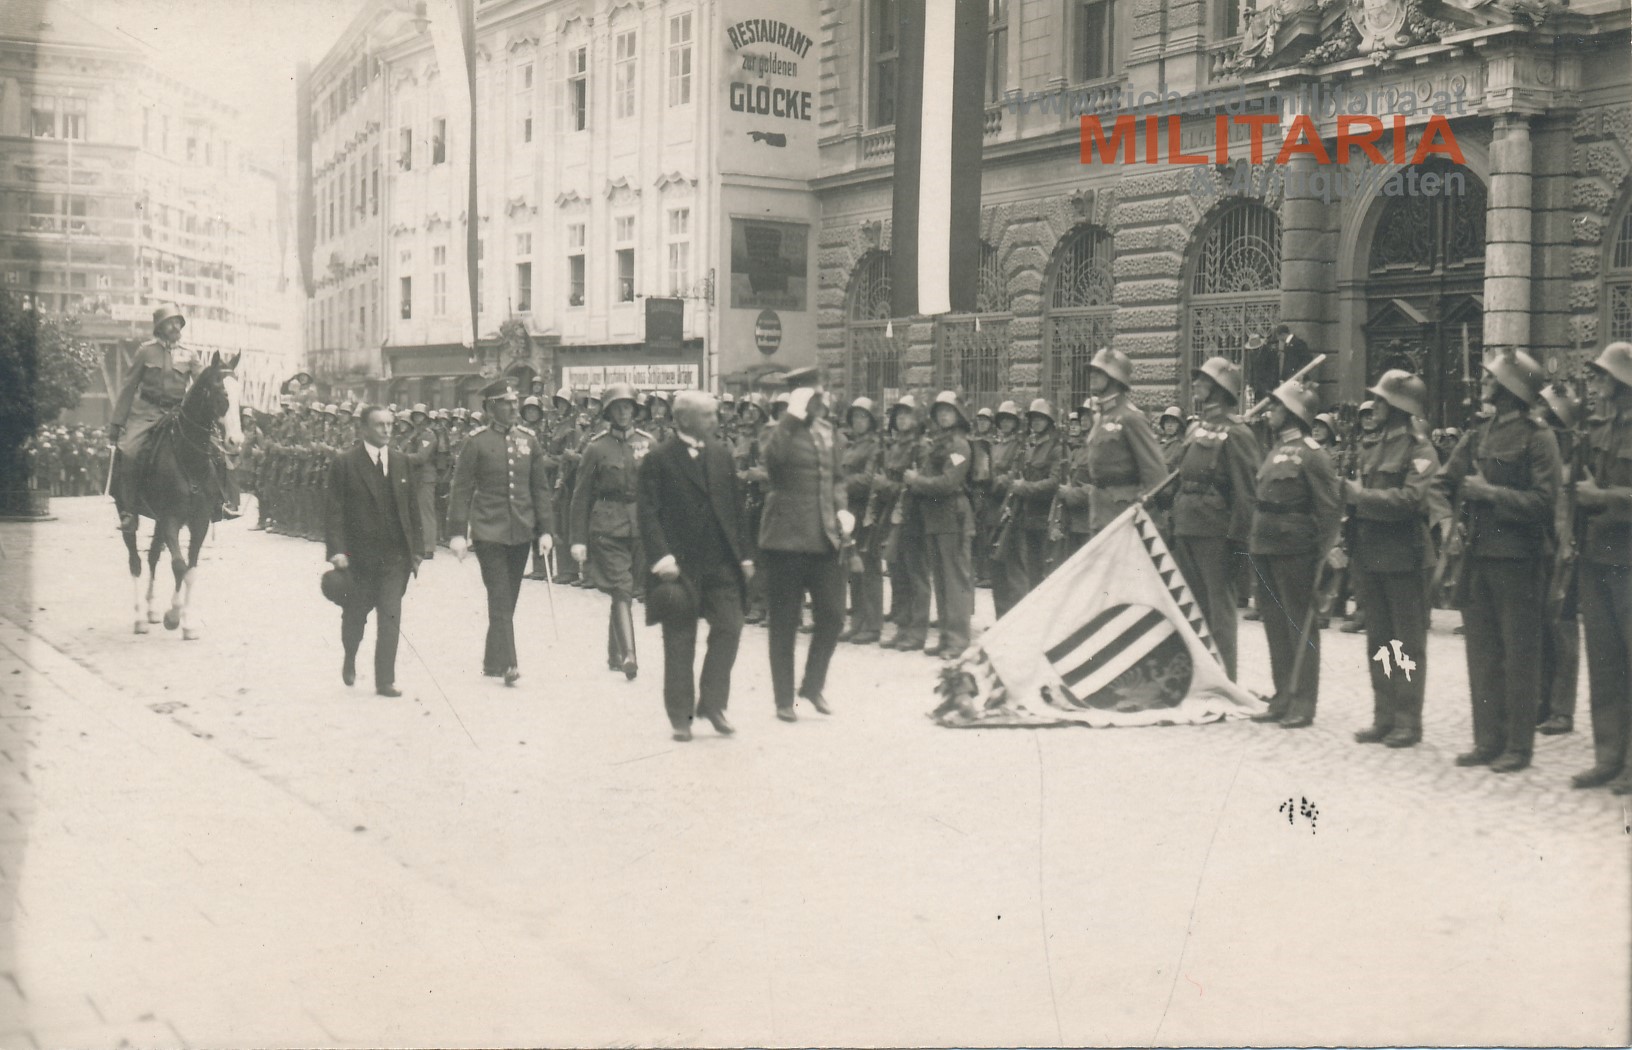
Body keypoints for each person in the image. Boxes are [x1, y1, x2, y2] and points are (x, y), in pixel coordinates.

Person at [1435, 349, 1562, 773]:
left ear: (1510, 388)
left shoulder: (1537, 436)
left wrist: (1490, 494)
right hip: (1478, 557)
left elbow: (1544, 503)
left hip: (1520, 559)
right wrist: (1448, 520)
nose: (1484, 381)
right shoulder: (1479, 432)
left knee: (1520, 655)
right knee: (1483, 654)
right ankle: (1487, 740)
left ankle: (1518, 747)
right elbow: (1443, 481)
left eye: (1491, 377)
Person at [637, 391, 753, 741]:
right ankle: (681, 717)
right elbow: (648, 513)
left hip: (720, 563)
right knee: (679, 639)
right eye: (709, 416)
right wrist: (662, 558)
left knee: (730, 628)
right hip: (679, 566)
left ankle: (713, 704)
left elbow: (736, 509)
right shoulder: (659, 458)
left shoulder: (721, 455)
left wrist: (745, 556)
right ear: (685, 419)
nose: (716, 422)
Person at [1344, 371, 1441, 747]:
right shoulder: (1373, 446)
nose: (1376, 406)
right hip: (1372, 555)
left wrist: (1360, 498)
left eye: (1382, 401)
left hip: (1405, 557)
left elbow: (1411, 501)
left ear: (1400, 407)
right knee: (1380, 642)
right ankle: (1383, 716)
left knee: (1406, 643)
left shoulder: (1421, 450)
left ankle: (1407, 721)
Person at [446, 378, 556, 685]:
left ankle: (492, 660)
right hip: (488, 530)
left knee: (509, 597)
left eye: (514, 401)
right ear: (490, 407)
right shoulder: (476, 441)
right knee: (499, 594)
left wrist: (546, 530)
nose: (512, 407)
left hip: (521, 529)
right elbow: (461, 489)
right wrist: (457, 532)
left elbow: (539, 489)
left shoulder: (529, 440)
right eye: (505, 403)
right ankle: (509, 663)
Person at [1245, 379, 1341, 728]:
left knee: (1299, 625)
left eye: (1276, 406)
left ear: (1293, 412)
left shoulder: (1313, 454)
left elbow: (1329, 509)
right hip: (1266, 545)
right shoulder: (1272, 451)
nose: (1269, 411)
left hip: (1295, 549)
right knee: (1273, 624)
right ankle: (1283, 695)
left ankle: (1303, 701)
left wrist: (1321, 555)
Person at [757, 374, 852, 721]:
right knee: (784, 621)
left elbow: (837, 478)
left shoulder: (829, 433)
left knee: (833, 615)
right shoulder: (777, 429)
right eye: (812, 396)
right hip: (785, 540)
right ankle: (784, 699)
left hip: (824, 536)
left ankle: (812, 687)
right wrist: (791, 417)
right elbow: (772, 461)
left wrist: (842, 508)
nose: (819, 401)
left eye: (820, 395)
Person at [107, 302, 237, 531]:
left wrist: (219, 375)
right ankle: (128, 511)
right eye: (170, 323)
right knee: (129, 452)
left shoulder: (189, 355)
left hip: (178, 413)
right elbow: (129, 386)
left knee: (215, 451)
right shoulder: (145, 351)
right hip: (147, 413)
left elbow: (202, 383)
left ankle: (218, 502)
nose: (175, 326)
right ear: (159, 327)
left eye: (178, 322)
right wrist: (117, 423)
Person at [1170, 356, 1262, 681]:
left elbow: (1247, 493)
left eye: (1202, 381)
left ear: (1218, 389)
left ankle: (1224, 678)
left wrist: (1239, 542)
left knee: (1219, 608)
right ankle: (1198, 675)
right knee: (1191, 604)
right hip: (1187, 524)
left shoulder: (1238, 434)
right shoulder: (1196, 428)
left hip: (1216, 530)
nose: (1195, 385)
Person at [324, 405, 424, 697]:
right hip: (359, 559)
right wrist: (337, 551)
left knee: (391, 615)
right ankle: (350, 656)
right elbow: (334, 512)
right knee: (355, 615)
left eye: (390, 424)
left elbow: (412, 509)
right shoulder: (345, 463)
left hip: (395, 558)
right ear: (364, 428)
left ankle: (385, 680)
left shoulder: (401, 461)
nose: (386, 430)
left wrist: (416, 551)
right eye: (379, 425)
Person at [1571, 342, 1632, 791]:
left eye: (1602, 377)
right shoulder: (1596, 427)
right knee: (1605, 662)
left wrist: (1601, 498)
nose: (1596, 384)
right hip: (1597, 557)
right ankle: (1609, 756)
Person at [571, 383, 654, 679]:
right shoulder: (596, 448)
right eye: (618, 407)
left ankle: (614, 653)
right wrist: (578, 539)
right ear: (608, 412)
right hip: (606, 526)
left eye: (628, 406)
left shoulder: (648, 443)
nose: (623, 412)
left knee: (626, 589)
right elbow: (580, 496)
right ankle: (630, 655)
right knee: (621, 587)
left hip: (639, 526)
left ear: (635, 410)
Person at [1058, 348, 1169, 555]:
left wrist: (1146, 516)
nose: (1092, 376)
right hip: (1099, 510)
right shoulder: (1102, 417)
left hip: (1123, 512)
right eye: (1092, 371)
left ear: (1115, 377)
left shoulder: (1130, 417)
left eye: (1099, 372)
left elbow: (1156, 474)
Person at [905, 392, 977, 659]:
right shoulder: (939, 444)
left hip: (953, 517)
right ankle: (947, 637)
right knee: (942, 581)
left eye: (948, 411)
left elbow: (948, 483)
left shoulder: (959, 446)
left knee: (954, 580)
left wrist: (915, 481)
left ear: (958, 414)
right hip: (936, 518)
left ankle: (958, 640)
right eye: (940, 411)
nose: (943, 415)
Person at [1536, 383, 1584, 736]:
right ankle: (1543, 703)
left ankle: (1562, 710)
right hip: (1541, 546)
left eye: (1549, 414)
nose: (1542, 419)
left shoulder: (1577, 457)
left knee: (1562, 631)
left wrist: (1570, 545)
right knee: (1540, 628)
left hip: (1567, 550)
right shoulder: (1543, 450)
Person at [840, 397, 885, 645]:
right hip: (849, 511)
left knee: (868, 568)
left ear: (871, 421)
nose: (858, 421)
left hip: (867, 510)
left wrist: (841, 484)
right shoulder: (850, 446)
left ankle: (872, 624)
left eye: (863, 417)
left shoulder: (875, 447)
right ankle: (857, 622)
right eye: (855, 417)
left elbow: (868, 479)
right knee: (853, 569)